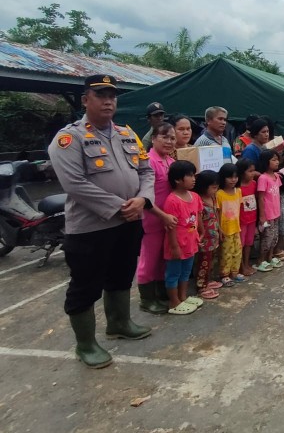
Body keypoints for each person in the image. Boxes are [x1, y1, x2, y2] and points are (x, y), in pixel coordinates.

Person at [48, 74, 155, 369]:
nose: (108, 100)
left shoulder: (127, 134)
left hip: (129, 221)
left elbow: (146, 171)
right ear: (86, 100)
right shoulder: (70, 138)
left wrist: (143, 200)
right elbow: (74, 184)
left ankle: (119, 323)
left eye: (112, 95)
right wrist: (121, 207)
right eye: (100, 95)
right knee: (85, 285)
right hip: (91, 228)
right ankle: (85, 345)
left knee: (121, 275)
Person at [136, 123, 177, 315]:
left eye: (172, 138)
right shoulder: (148, 161)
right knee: (149, 259)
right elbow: (144, 197)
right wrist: (162, 215)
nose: (169, 141)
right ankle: (147, 299)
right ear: (153, 139)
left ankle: (161, 292)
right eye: (165, 137)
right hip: (152, 219)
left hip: (167, 220)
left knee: (163, 257)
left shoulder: (169, 160)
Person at [162, 160, 204, 315]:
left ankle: (183, 297)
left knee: (186, 271)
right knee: (173, 273)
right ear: (178, 179)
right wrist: (174, 246)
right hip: (177, 245)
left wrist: (201, 231)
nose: (194, 179)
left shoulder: (194, 196)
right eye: (190, 176)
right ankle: (173, 302)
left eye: (194, 175)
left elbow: (198, 215)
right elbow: (170, 226)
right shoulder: (172, 201)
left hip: (191, 243)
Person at [194, 170, 223, 299]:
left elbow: (216, 215)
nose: (216, 190)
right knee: (204, 262)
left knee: (211, 260)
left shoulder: (213, 197)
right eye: (213, 187)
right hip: (204, 238)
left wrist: (220, 230)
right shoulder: (198, 200)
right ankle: (201, 286)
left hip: (214, 235)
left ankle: (207, 281)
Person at [216, 163, 244, 286]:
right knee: (226, 253)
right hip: (225, 229)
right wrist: (219, 229)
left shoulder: (238, 191)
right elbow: (217, 212)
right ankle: (224, 274)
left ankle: (234, 272)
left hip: (236, 227)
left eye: (235, 177)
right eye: (230, 177)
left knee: (237, 251)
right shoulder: (219, 194)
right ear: (223, 178)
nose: (233, 180)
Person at [255, 149, 283, 272]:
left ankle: (270, 258)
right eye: (274, 160)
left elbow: (277, 194)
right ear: (266, 162)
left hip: (276, 213)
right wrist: (262, 216)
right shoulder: (263, 178)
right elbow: (260, 197)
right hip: (267, 214)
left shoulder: (276, 176)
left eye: (277, 159)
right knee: (266, 238)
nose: (277, 162)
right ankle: (260, 261)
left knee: (274, 237)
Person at [236, 159, 258, 276]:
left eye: (253, 171)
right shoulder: (237, 188)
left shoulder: (254, 184)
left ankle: (246, 263)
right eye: (250, 171)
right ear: (241, 172)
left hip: (252, 219)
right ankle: (240, 266)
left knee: (249, 243)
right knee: (241, 244)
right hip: (241, 221)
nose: (253, 173)